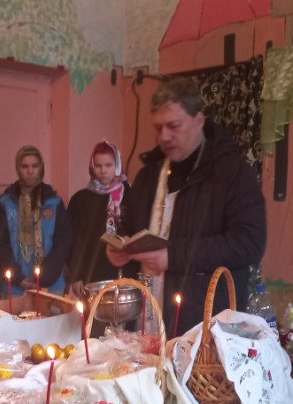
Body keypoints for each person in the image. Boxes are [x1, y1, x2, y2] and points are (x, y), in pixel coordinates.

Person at [108, 78, 266, 335]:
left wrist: (174, 256)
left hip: (203, 325)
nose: (164, 137)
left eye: (173, 126)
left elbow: (250, 243)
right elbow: (130, 226)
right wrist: (120, 247)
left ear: (199, 120)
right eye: (158, 128)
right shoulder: (149, 174)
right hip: (146, 318)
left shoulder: (232, 172)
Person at [0, 145, 71, 297]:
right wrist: (17, 277)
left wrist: (45, 276)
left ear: (41, 167)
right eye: (25, 166)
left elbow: (63, 242)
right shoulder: (5, 202)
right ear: (17, 168)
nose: (30, 171)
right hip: (13, 286)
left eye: (35, 166)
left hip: (50, 285)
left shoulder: (54, 202)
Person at [65, 141, 134, 298]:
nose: (103, 171)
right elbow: (74, 240)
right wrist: (75, 275)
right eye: (98, 165)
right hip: (91, 274)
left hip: (124, 274)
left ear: (117, 166)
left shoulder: (130, 196)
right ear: (92, 166)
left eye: (108, 165)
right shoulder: (80, 200)